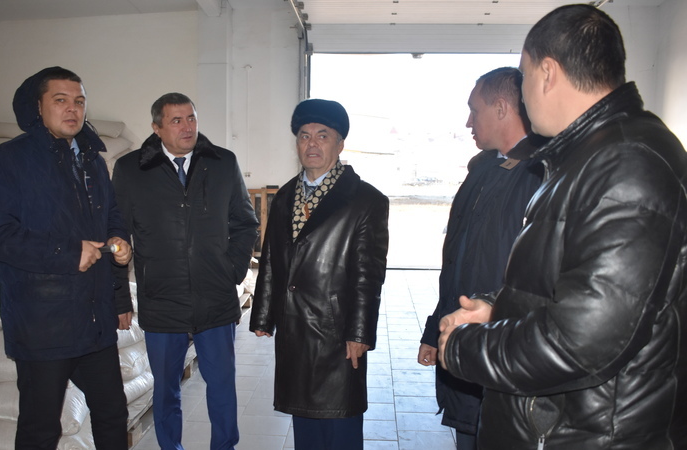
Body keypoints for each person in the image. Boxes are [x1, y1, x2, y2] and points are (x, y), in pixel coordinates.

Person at [437, 4, 687, 449]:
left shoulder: (627, 162)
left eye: (525, 75)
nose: (523, 92)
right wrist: (497, 308)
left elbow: (584, 340)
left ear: (547, 73)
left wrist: (463, 346)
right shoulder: (592, 156)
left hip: (585, 434)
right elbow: (569, 284)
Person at [0, 66, 133, 450]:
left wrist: (118, 240)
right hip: (43, 324)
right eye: (60, 100)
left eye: (79, 101)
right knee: (41, 428)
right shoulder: (9, 160)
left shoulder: (92, 160)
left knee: (113, 414)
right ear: (38, 107)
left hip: (94, 321)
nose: (72, 109)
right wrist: (66, 254)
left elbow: (112, 215)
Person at [112, 92, 258, 450]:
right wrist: (119, 296)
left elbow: (245, 223)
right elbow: (116, 236)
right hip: (162, 299)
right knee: (165, 390)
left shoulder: (222, 163)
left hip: (215, 297)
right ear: (157, 128)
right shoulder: (131, 170)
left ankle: (224, 446)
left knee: (221, 385)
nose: (187, 126)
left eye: (191, 118)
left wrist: (232, 271)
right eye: (176, 120)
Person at [250, 99, 389, 450]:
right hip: (295, 326)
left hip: (336, 329)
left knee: (340, 421)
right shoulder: (285, 195)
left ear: (339, 144)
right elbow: (271, 258)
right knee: (305, 422)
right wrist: (264, 315)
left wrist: (360, 332)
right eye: (304, 136)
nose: (311, 144)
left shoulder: (366, 200)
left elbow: (369, 276)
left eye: (322, 136)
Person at [417, 67, 544, 450]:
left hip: (505, 355)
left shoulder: (542, 175)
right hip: (466, 343)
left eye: (475, 110)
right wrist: (434, 330)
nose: (468, 122)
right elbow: (458, 262)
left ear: (502, 108)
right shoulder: (483, 170)